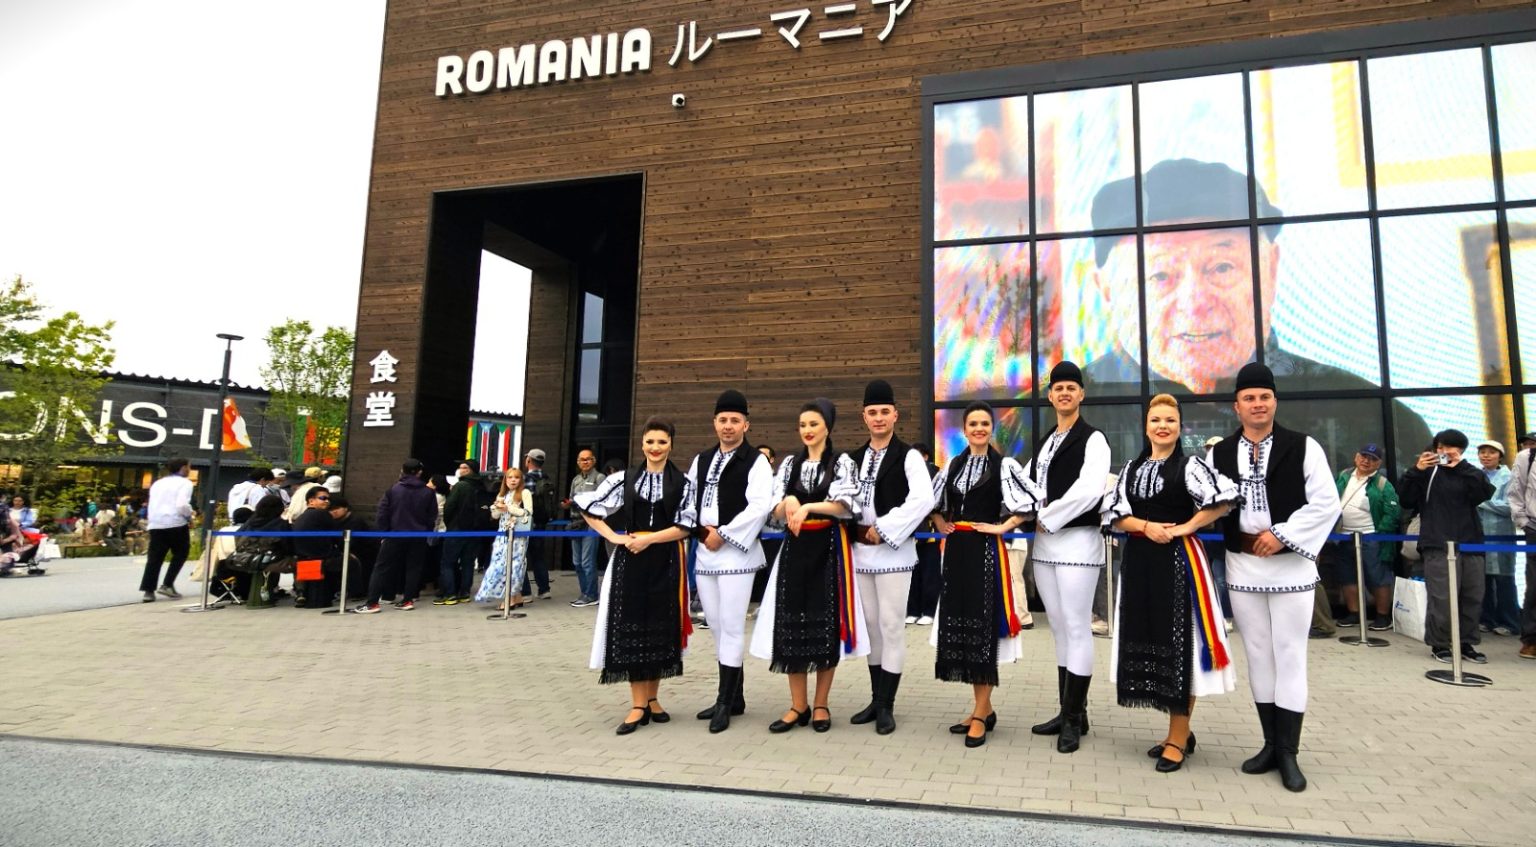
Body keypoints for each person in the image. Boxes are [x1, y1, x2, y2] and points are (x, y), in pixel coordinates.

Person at [1083, 158, 1432, 451]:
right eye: (1160, 275)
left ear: (1271, 271)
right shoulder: (1062, 418)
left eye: (1222, 267)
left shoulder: (1374, 420)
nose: (1195, 303)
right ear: (1107, 290)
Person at [1210, 363, 1339, 793]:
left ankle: (1289, 752)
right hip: (1243, 564)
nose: (1257, 404)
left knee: (1290, 654)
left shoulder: (1304, 446)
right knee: (1258, 654)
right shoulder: (1219, 453)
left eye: (1264, 397)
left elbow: (1326, 503)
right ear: (1237, 406)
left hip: (1290, 565)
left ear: (1275, 402)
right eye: (1249, 398)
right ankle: (1269, 743)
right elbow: (1206, 502)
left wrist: (1281, 534)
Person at [1104, 394, 1240, 772]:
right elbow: (1114, 514)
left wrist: (1186, 527)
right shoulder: (1132, 467)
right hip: (1140, 561)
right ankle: (1179, 732)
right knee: (1154, 640)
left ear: (1180, 428)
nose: (1162, 426)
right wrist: (1146, 526)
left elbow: (1224, 499)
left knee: (1181, 644)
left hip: (1179, 561)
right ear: (1146, 427)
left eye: (1170, 421)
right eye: (1156, 420)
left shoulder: (1190, 466)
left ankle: (1178, 736)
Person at [574, 417, 697, 735]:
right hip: (630, 558)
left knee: (659, 627)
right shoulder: (624, 479)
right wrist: (613, 537)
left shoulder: (683, 483)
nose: (655, 447)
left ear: (671, 444)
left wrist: (649, 539)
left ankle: (653, 698)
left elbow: (686, 526)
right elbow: (588, 507)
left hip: (667, 558)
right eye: (650, 441)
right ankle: (638, 704)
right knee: (633, 626)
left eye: (662, 442)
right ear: (642, 444)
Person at [749, 398, 865, 734]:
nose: (807, 430)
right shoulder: (789, 464)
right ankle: (798, 704)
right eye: (803, 425)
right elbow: (773, 510)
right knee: (793, 625)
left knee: (825, 626)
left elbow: (845, 505)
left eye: (814, 424)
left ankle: (821, 703)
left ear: (828, 427)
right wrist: (788, 500)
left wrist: (808, 506)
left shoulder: (841, 462)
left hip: (828, 548)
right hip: (795, 550)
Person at [928, 401, 1040, 748]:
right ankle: (984, 709)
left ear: (992, 428)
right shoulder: (954, 464)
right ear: (965, 430)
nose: (978, 429)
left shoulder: (1004, 465)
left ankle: (980, 714)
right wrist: (940, 522)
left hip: (986, 551)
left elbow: (1032, 502)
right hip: (957, 551)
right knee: (965, 627)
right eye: (973, 424)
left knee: (983, 628)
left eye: (984, 424)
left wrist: (1002, 527)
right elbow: (931, 501)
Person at [1023, 361, 1111, 754]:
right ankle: (1071, 710)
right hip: (1045, 548)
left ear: (1081, 394)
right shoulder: (1046, 441)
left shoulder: (1094, 439)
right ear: (1050, 395)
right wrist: (1021, 509)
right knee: (1059, 628)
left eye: (1071, 388)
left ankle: (1073, 721)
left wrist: (1047, 516)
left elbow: (1089, 489)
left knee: (1077, 628)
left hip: (1077, 544)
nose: (1064, 393)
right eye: (1058, 388)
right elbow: (1027, 484)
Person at [847, 379, 937, 735]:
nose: (879, 418)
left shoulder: (908, 456)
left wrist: (884, 527)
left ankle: (887, 705)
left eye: (885, 411)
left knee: (891, 626)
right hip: (860, 552)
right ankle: (875, 698)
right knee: (871, 627)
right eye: (873, 412)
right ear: (864, 417)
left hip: (894, 553)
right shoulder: (853, 458)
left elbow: (923, 499)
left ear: (895, 415)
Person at [686, 389, 775, 734]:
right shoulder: (702, 459)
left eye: (734, 420)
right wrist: (700, 532)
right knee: (716, 625)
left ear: (746, 425)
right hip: (705, 551)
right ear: (714, 423)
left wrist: (722, 533)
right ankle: (734, 697)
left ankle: (725, 701)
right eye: (723, 420)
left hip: (736, 552)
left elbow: (759, 506)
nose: (728, 426)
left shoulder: (756, 461)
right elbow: (688, 499)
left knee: (733, 625)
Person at [1400, 430, 1496, 664]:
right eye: (1440, 447)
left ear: (1461, 450)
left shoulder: (1468, 472)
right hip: (1437, 543)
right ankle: (1440, 643)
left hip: (1470, 542)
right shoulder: (1427, 472)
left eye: (1451, 448)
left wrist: (1460, 465)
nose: (1444, 452)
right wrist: (1416, 470)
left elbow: (1483, 493)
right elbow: (1405, 498)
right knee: (1442, 597)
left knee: (1472, 596)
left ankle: (1466, 643)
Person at [1318, 444, 1401, 633]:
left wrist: (1380, 533)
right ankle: (1353, 613)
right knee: (1346, 576)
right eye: (1363, 456)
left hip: (1371, 537)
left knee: (1377, 577)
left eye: (1372, 459)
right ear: (1356, 457)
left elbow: (1392, 511)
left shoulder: (1382, 484)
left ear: (1378, 463)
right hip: (1343, 536)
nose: (1366, 461)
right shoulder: (1343, 476)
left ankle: (1382, 616)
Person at [355, 458, 438, 613]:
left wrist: (384, 532)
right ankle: (408, 600)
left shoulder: (393, 490)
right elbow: (432, 516)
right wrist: (426, 530)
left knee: (382, 567)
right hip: (418, 535)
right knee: (414, 568)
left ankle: (372, 603)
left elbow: (382, 513)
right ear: (420, 472)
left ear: (402, 471)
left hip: (395, 534)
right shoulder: (428, 492)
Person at [1474, 440, 1520, 637]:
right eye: (1482, 452)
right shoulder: (1475, 475)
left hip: (1501, 534)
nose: (1486, 456)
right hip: (1478, 534)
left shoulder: (1509, 477)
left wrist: (1482, 502)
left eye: (1491, 452)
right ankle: (1486, 619)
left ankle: (1509, 622)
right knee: (1481, 579)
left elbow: (1511, 506)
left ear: (1500, 456)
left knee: (1504, 579)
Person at [139, 457, 195, 603]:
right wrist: (189, 517)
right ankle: (167, 584)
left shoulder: (158, 483)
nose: (190, 470)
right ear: (183, 468)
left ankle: (148, 591)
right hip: (176, 522)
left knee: (155, 557)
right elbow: (182, 504)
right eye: (189, 467)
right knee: (181, 553)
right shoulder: (185, 483)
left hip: (156, 523)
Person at [477, 467, 532, 612]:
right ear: (505, 480)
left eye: (516, 477)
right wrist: (495, 508)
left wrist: (508, 508)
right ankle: (517, 597)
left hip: (518, 535)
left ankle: (509, 599)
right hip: (502, 534)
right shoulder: (503, 494)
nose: (513, 480)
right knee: (500, 565)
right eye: (510, 477)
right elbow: (495, 516)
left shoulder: (525, 493)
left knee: (514, 566)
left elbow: (528, 513)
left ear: (521, 480)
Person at [905, 442, 943, 627]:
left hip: (929, 532)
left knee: (930, 573)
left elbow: (935, 502)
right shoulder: (906, 473)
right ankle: (912, 610)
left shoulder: (934, 473)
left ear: (926, 457)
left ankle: (929, 611)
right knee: (911, 573)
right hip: (909, 531)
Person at [436, 460, 483, 605]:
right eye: (460, 467)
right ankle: (465, 593)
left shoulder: (460, 486)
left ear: (471, 470)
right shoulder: (481, 486)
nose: (461, 470)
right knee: (468, 563)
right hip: (474, 531)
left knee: (448, 562)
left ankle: (449, 594)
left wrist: (450, 524)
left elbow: (449, 507)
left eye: (465, 467)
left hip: (457, 529)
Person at [565, 449, 604, 607]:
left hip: (591, 523)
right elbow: (572, 498)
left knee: (587, 561)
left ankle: (592, 595)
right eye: (582, 459)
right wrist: (568, 504)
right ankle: (584, 593)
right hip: (576, 522)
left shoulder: (600, 478)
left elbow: (603, 500)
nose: (585, 462)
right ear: (578, 462)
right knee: (577, 562)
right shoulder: (576, 479)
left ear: (594, 461)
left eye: (588, 459)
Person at [290, 486, 339, 608]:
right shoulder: (322, 514)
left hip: (303, 557)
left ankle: (302, 594)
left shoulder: (302, 516)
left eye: (328, 499)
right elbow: (337, 535)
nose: (327, 501)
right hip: (321, 557)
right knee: (352, 560)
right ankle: (356, 594)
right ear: (311, 501)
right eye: (323, 498)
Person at [1510, 434, 1536, 660]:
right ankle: (1531, 639)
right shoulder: (1527, 457)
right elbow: (1516, 491)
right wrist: (1523, 521)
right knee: (1535, 585)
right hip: (1535, 527)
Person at [327, 494, 378, 600]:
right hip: (349, 550)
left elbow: (355, 542)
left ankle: (359, 592)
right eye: (331, 509)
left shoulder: (355, 521)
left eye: (337, 508)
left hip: (364, 552)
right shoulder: (335, 521)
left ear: (345, 508)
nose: (334, 511)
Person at [522, 449, 554, 601]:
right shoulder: (547, 478)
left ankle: (525, 592)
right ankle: (544, 589)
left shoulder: (526, 478)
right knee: (539, 556)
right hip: (542, 522)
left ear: (529, 460)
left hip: (527, 523)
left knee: (521, 557)